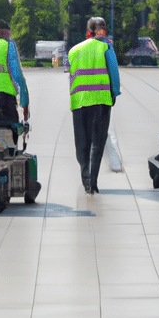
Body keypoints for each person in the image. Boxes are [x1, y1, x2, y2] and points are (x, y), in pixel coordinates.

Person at [68, 17, 120, 194]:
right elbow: (114, 73)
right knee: (97, 143)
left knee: (82, 143)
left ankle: (85, 179)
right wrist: (114, 94)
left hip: (79, 102)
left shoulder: (74, 50)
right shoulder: (106, 47)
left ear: (87, 32)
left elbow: (72, 76)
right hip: (101, 101)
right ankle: (93, 181)